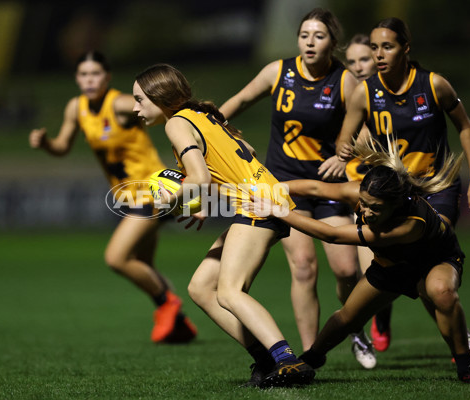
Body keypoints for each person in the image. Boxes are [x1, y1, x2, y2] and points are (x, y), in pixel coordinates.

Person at [244, 138, 470, 384]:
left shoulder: (409, 225)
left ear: (395, 204)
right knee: (347, 318)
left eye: (375, 208)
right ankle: (308, 359)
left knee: (439, 291)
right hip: (392, 264)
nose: (365, 211)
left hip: (435, 260)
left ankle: (467, 369)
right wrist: (271, 188)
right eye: (363, 204)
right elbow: (315, 188)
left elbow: (331, 235)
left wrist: (278, 210)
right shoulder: (360, 193)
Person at [132, 63, 315, 388]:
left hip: (259, 205)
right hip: (263, 200)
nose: (135, 108)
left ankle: (288, 361)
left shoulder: (176, 124)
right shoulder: (201, 115)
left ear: (159, 97)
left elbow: (199, 178)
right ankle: (266, 361)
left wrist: (169, 200)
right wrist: (197, 202)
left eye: (139, 99)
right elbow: (242, 154)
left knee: (229, 291)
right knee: (202, 288)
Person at [219, 8, 375, 369]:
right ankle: (310, 356)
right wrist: (216, 128)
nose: (309, 41)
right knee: (303, 267)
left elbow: (366, 127)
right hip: (285, 185)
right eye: (304, 34)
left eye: (318, 36)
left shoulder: (346, 80)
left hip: (329, 186)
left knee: (347, 271)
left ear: (333, 43)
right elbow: (240, 101)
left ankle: (354, 328)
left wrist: (344, 154)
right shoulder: (278, 71)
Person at [335, 17, 470, 367]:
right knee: (423, 279)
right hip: (397, 197)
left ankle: (460, 345)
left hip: (438, 190)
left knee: (427, 268)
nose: (378, 54)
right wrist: (346, 149)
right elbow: (345, 137)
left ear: (405, 48)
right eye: (374, 47)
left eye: (386, 46)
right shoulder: (365, 92)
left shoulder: (434, 85)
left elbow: (464, 126)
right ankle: (462, 341)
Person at [28, 51, 197, 344]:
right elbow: (62, 146)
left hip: (154, 193)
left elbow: (154, 106)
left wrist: (186, 119)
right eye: (83, 74)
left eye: (95, 74)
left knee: (117, 258)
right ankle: (180, 324)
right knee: (144, 267)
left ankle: (168, 305)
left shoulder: (120, 105)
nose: (89, 80)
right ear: (77, 78)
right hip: (130, 199)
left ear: (106, 78)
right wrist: (46, 144)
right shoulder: (76, 108)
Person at [344, 33, 394, 353]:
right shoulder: (345, 98)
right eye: (352, 61)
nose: (360, 66)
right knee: (369, 271)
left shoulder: (392, 97)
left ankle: (463, 342)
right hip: (361, 196)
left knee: (424, 274)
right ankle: (380, 318)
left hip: (398, 195)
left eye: (365, 59)